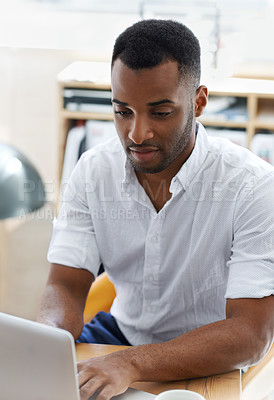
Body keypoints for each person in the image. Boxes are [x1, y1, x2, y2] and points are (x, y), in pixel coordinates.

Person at [38, 19, 274, 400]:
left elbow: (250, 334)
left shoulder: (254, 188)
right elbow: (65, 283)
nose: (136, 133)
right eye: (122, 110)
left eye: (160, 112)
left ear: (198, 101)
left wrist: (132, 364)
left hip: (215, 355)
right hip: (122, 337)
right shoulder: (93, 171)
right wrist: (46, 342)